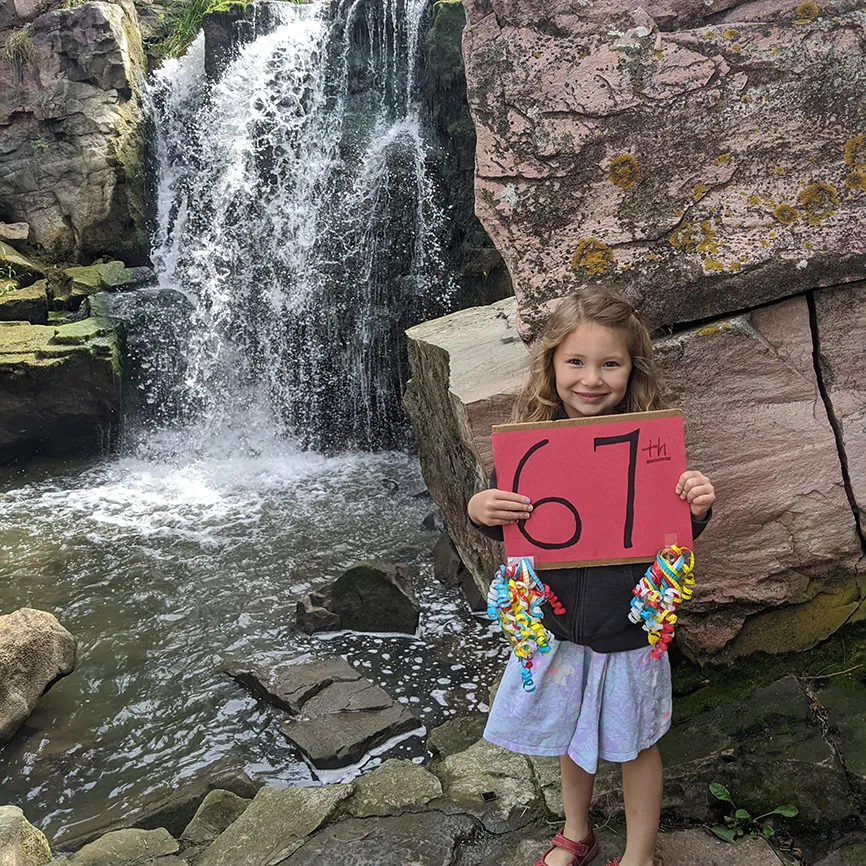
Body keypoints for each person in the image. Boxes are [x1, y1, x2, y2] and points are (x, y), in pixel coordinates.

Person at [467, 287, 715, 866]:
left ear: (633, 370)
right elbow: (509, 526)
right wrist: (480, 508)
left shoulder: (651, 445)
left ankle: (639, 855)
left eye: (610, 364)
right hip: (555, 625)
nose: (591, 378)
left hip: (629, 629)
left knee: (638, 746)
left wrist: (696, 507)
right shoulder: (532, 441)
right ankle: (576, 833)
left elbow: (670, 533)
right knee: (570, 738)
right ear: (550, 365)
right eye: (575, 361)